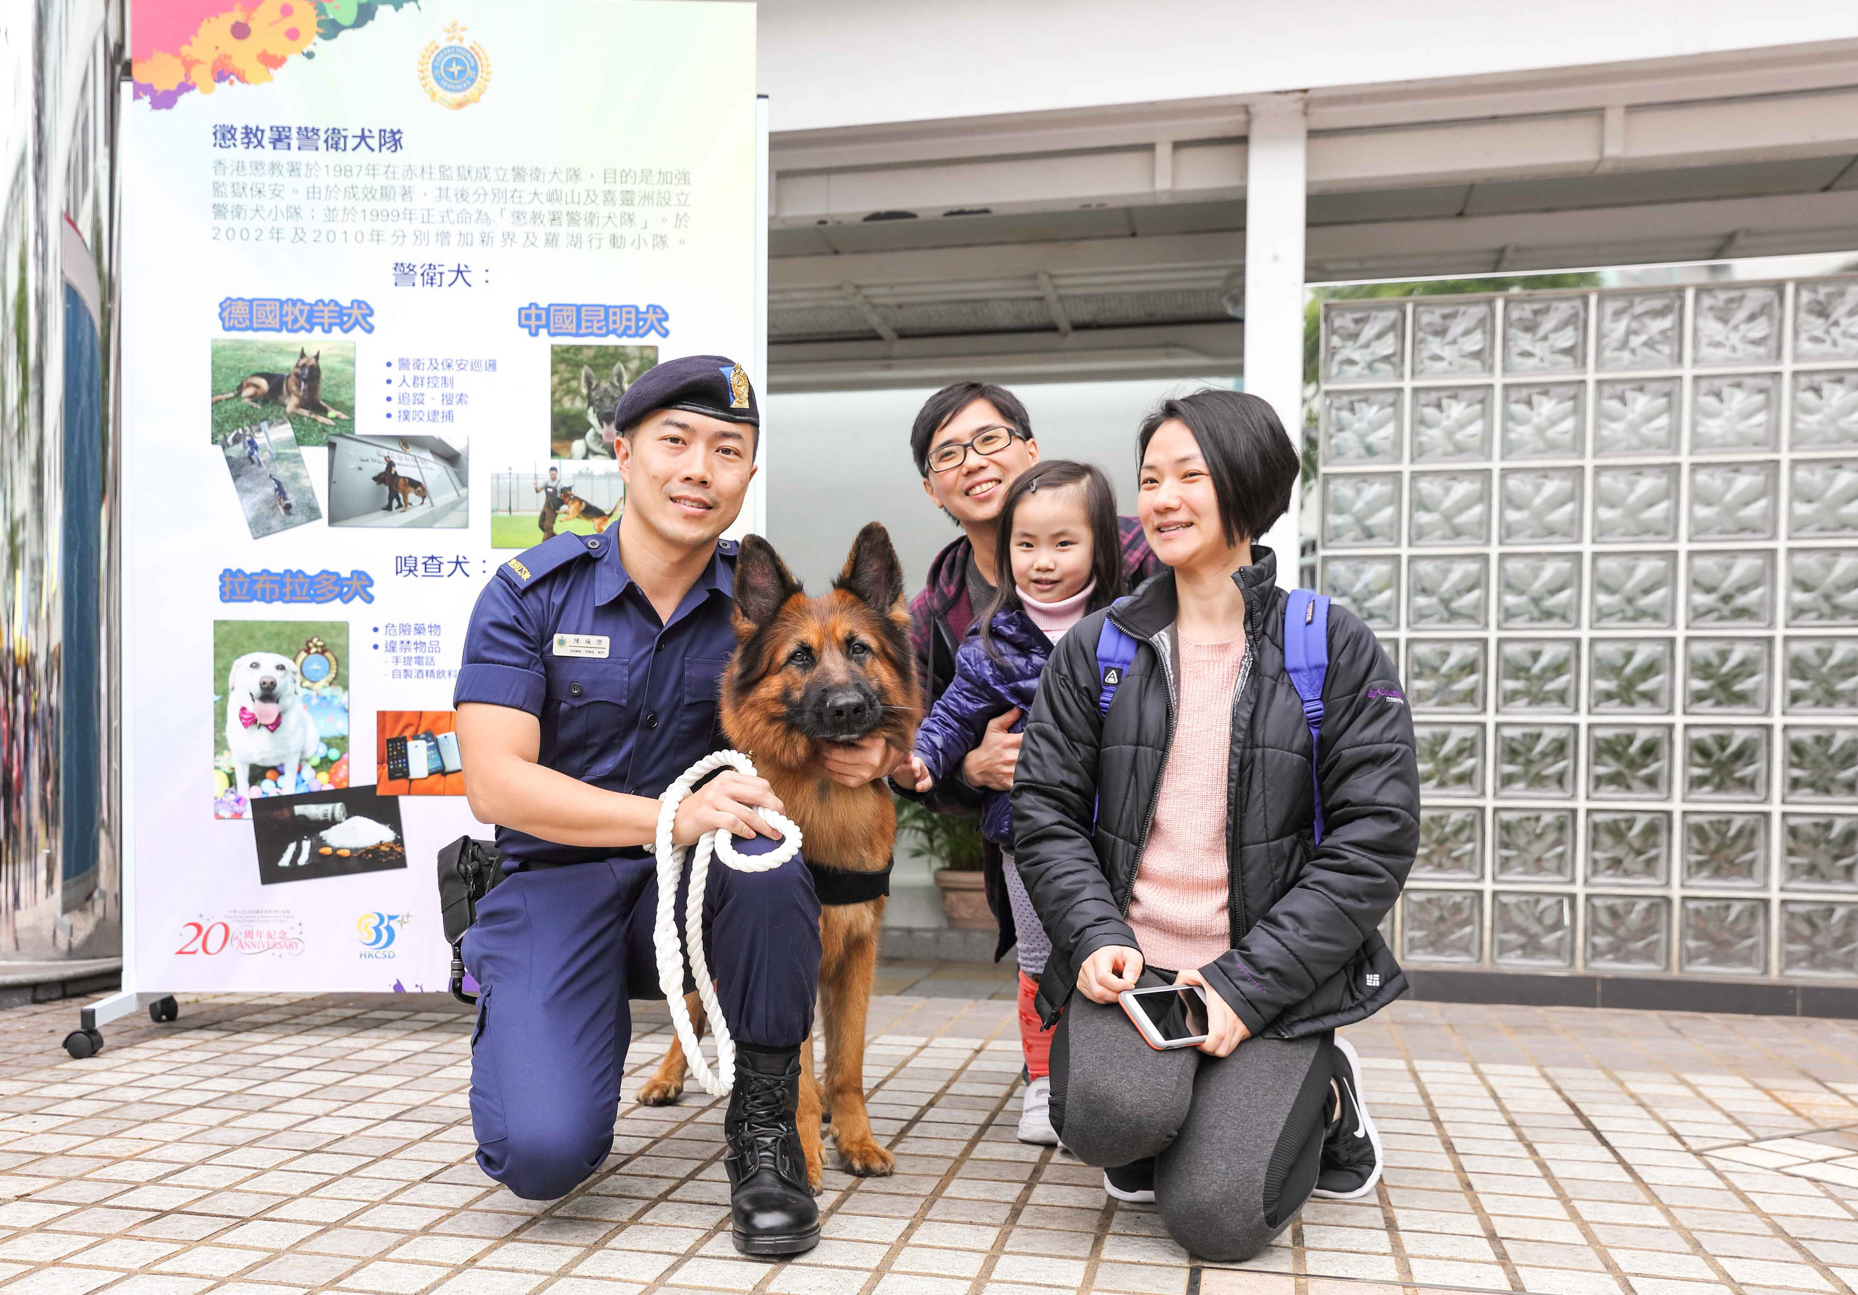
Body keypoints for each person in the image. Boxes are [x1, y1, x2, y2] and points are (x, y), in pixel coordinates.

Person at [452, 356, 898, 1257]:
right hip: (557, 879)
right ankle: (521, 1002)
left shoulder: (763, 602)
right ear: (622, 452)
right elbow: (495, 782)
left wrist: (881, 746)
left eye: (727, 449)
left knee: (766, 855)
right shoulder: (527, 597)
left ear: (749, 473)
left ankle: (767, 1134)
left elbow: (847, 689)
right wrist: (673, 813)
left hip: (701, 888)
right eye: (675, 441)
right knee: (540, 1154)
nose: (699, 468)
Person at [1009, 390, 1418, 1263]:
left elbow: (1375, 834)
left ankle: (1327, 1095)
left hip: (1268, 975)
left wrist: (1245, 986)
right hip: (1138, 966)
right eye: (1151, 477)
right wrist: (1092, 936)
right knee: (1111, 1118)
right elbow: (1043, 811)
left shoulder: (1328, 642)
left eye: (1190, 474)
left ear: (1249, 484)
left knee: (1219, 1221)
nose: (1162, 498)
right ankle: (1168, 1111)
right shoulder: (1098, 647)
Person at [897, 382, 1162, 1145]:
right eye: (948, 453)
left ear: (1029, 448)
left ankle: (1142, 1065)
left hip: (1137, 813)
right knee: (1047, 950)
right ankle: (1046, 1077)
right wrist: (957, 765)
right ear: (931, 487)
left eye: (989, 439)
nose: (973, 463)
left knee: (1144, 936)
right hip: (1027, 824)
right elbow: (925, 728)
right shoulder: (951, 615)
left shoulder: (1138, 557)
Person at [535, 463, 563, 542]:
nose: (553, 476)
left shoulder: (560, 483)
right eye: (551, 474)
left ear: (557, 473)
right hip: (545, 506)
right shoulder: (546, 482)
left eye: (554, 474)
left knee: (547, 527)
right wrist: (535, 485)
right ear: (549, 474)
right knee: (541, 524)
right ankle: (559, 540)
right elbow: (538, 490)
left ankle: (543, 546)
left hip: (553, 509)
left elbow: (564, 497)